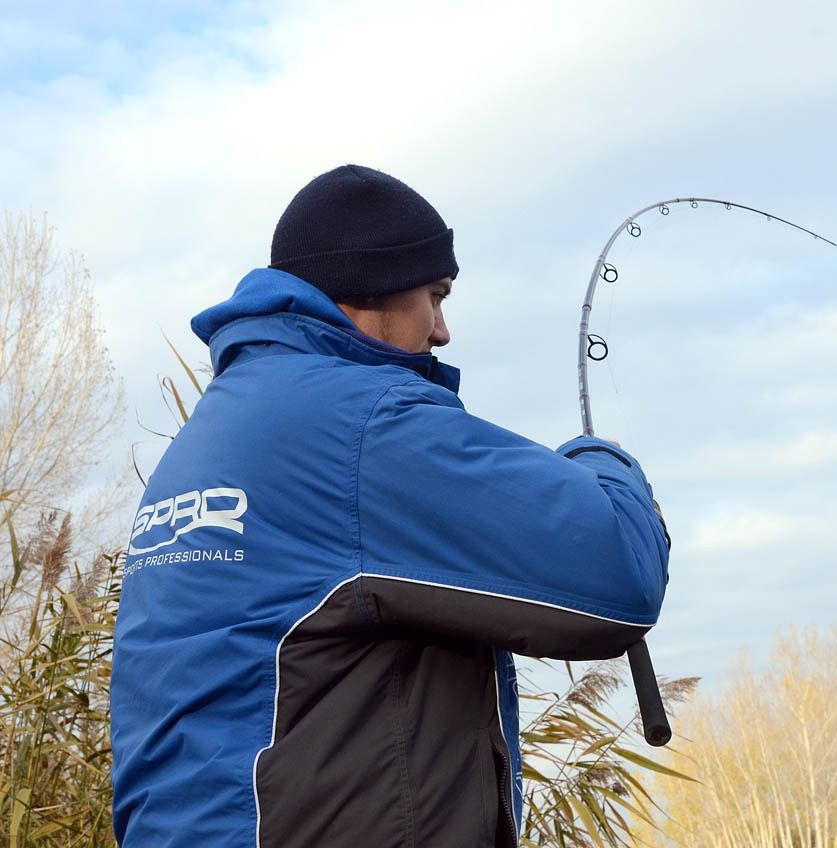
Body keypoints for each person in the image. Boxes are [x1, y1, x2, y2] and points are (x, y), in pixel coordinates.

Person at [110, 164, 671, 847]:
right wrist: (601, 462)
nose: (442, 331)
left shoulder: (209, 439)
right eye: (435, 295)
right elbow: (614, 575)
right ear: (375, 288)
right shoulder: (360, 421)